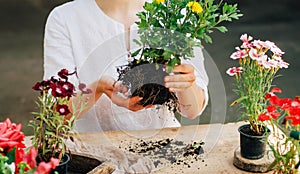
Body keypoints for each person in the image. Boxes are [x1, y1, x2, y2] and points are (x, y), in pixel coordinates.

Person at [43, 0, 209, 133]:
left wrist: (186, 85)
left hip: (163, 147)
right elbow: (57, 116)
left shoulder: (177, 12)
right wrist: (98, 88)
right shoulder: (64, 18)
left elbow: (192, 111)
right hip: (91, 155)